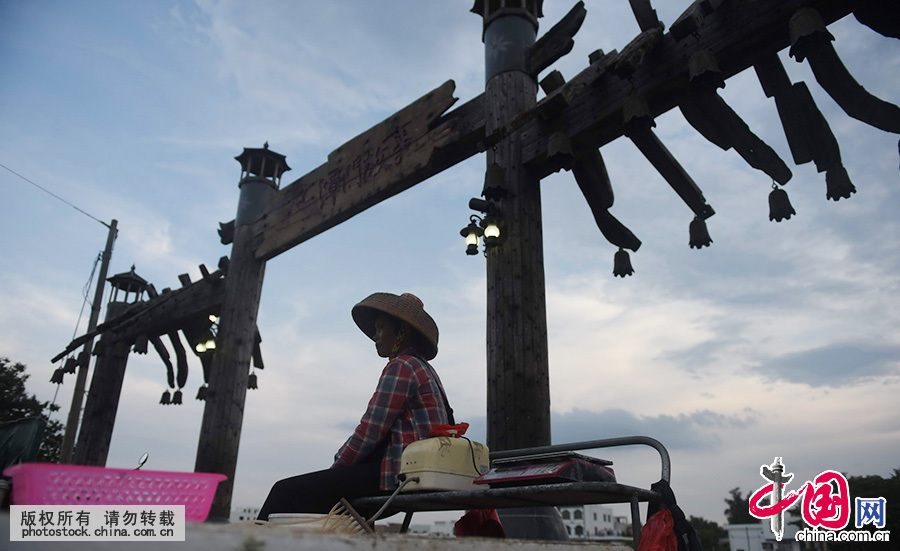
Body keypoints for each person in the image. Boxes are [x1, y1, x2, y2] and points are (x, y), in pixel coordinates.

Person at [257, 292, 453, 520]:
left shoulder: (402, 366)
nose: (376, 337)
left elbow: (369, 431)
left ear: (403, 331)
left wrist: (335, 470)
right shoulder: (425, 368)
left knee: (284, 492)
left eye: (381, 328)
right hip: (417, 472)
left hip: (398, 475)